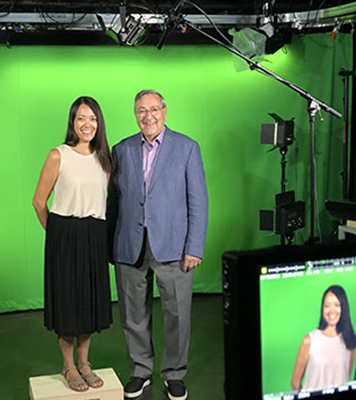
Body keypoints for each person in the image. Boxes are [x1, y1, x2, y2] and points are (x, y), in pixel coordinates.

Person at [107, 90, 208, 400]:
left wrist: (195, 247)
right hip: (129, 245)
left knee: (178, 315)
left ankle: (175, 374)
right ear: (134, 114)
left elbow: (199, 201)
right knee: (133, 315)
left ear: (165, 111)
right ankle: (140, 370)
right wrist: (110, 245)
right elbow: (114, 202)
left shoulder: (187, 148)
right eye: (141, 110)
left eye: (153, 109)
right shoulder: (121, 149)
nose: (147, 116)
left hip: (175, 248)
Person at [32, 96, 113, 392]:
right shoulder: (58, 155)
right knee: (67, 302)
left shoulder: (105, 160)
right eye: (81, 118)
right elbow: (39, 202)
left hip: (94, 234)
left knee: (88, 301)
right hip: (64, 234)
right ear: (72, 122)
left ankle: (85, 362)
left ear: (99, 122)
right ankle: (68, 365)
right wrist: (57, 235)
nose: (87, 124)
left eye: (92, 118)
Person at [290, 285, 356, 391]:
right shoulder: (309, 340)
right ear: (322, 309)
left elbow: (345, 378)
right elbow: (295, 383)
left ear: (343, 308)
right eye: (327, 305)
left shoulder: (349, 342)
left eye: (337, 305)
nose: (332, 310)